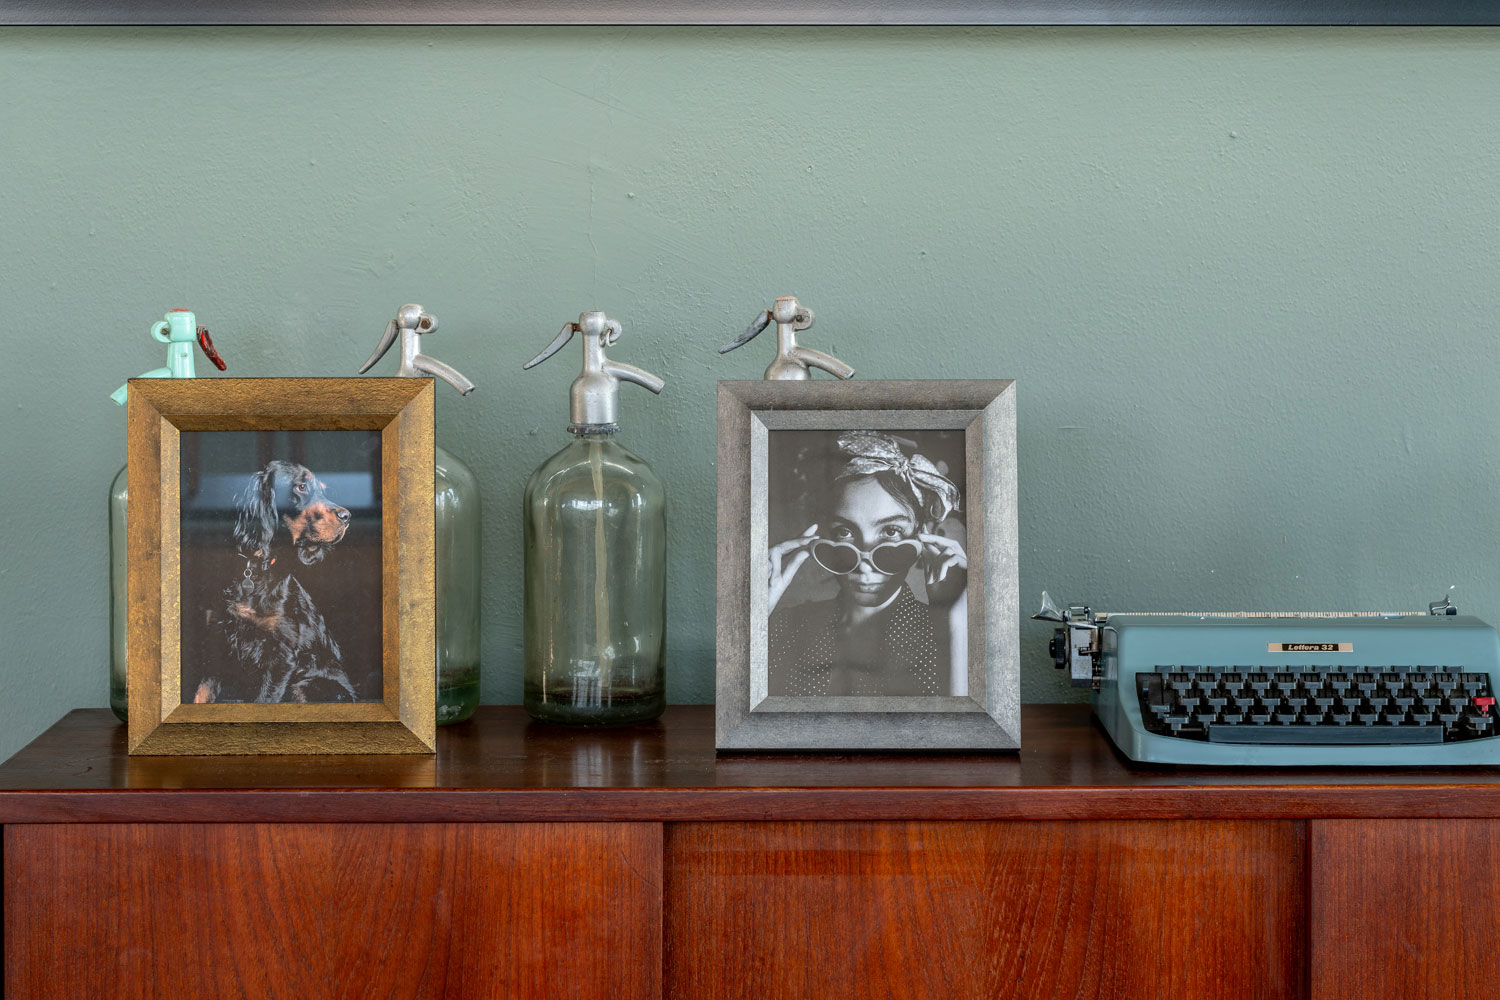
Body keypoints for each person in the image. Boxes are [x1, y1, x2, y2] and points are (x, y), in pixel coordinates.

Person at [767, 431, 966, 696]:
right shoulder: (782, 625)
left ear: (923, 536)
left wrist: (956, 623)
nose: (864, 564)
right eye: (845, 532)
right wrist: (754, 612)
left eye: (891, 531)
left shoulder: (948, 632)